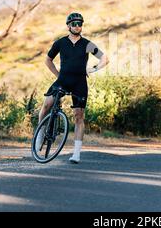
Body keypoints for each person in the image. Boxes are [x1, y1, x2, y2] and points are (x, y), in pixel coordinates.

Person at [37, 12, 109, 164]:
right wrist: (57, 75)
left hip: (79, 82)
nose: (78, 26)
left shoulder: (87, 44)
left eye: (80, 24)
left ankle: (76, 154)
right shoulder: (60, 42)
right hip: (63, 80)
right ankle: (39, 137)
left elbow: (105, 58)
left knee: (79, 116)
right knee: (46, 105)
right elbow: (48, 60)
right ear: (68, 26)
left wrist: (93, 69)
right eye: (75, 24)